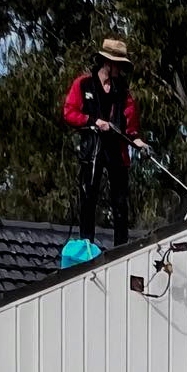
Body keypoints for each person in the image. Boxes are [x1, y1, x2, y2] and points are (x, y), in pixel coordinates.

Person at [62, 37, 147, 246]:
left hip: (116, 150)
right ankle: (86, 245)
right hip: (92, 149)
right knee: (88, 196)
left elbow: (131, 126)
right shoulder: (83, 84)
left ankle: (122, 246)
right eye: (118, 64)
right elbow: (69, 112)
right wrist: (93, 121)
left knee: (120, 202)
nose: (120, 69)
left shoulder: (124, 94)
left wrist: (138, 141)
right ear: (107, 63)